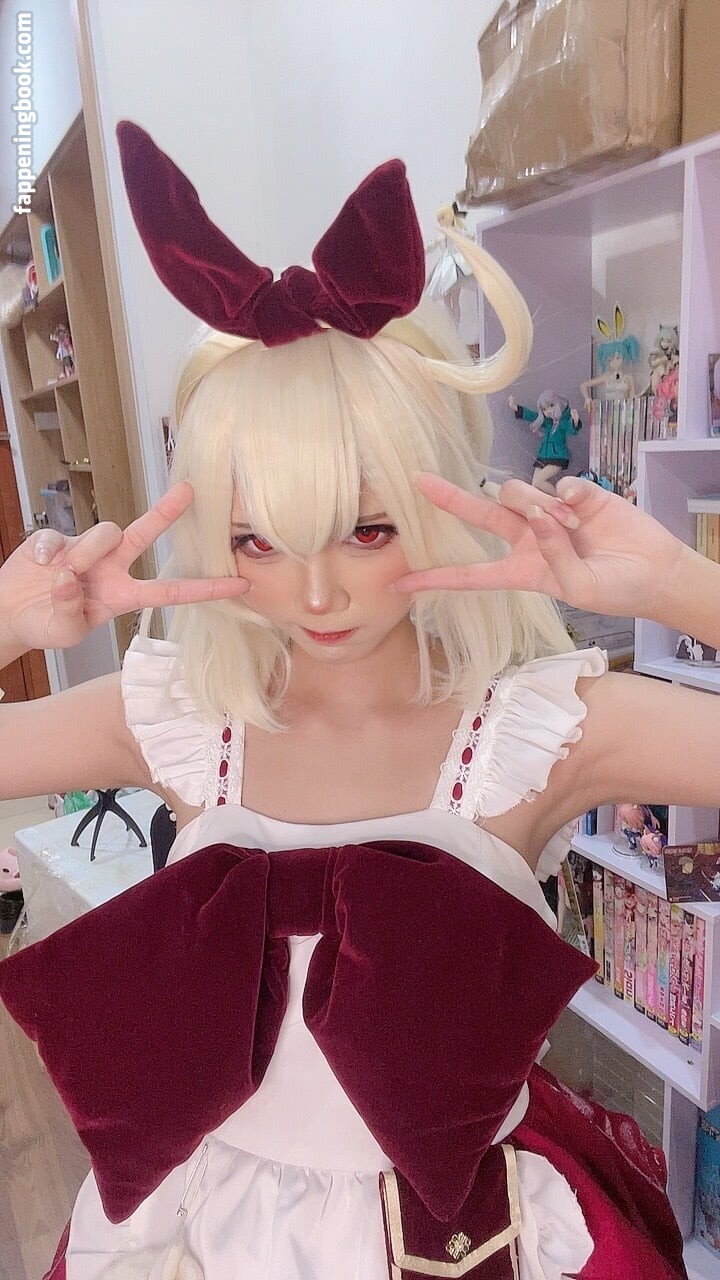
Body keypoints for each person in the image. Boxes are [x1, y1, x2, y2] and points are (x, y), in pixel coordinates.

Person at [1, 123, 719, 1280]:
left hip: (471, 1242)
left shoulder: (537, 731)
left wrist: (680, 583)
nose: (317, 591)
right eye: (258, 540)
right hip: (202, 1234)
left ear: (437, 502)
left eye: (367, 528)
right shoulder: (182, 716)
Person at [507, 390, 582, 494]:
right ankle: (546, 500)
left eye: (551, 406)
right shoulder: (547, 423)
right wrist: (515, 407)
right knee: (535, 483)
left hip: (557, 457)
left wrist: (575, 421)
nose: (548, 411)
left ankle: (558, 499)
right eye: (544, 409)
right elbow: (532, 415)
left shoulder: (562, 422)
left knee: (539, 481)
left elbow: (571, 428)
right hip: (543, 456)